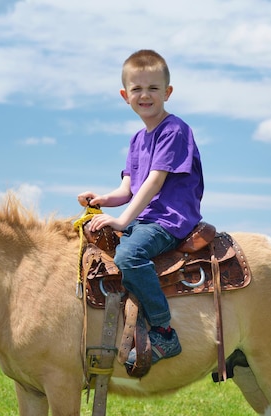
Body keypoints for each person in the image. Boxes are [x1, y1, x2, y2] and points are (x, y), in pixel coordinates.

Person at [77, 49, 204, 366]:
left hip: (168, 220)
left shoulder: (175, 131)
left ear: (167, 92)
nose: (144, 95)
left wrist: (120, 221)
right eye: (137, 89)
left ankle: (163, 330)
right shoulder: (137, 140)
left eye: (153, 88)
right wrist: (102, 201)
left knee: (129, 255)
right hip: (143, 218)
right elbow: (128, 188)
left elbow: (154, 183)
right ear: (125, 95)